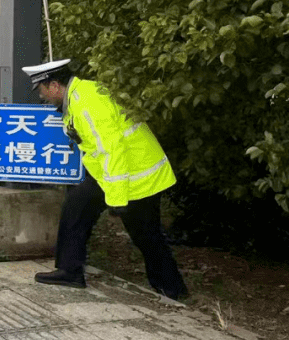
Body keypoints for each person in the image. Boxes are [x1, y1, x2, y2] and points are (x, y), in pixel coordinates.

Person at [24, 59, 188, 300]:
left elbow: (112, 150)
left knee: (145, 235)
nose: (43, 96)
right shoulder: (79, 96)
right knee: (75, 207)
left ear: (55, 86)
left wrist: (117, 199)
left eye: (43, 90)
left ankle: (172, 289)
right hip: (110, 174)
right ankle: (70, 271)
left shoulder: (87, 103)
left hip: (136, 177)